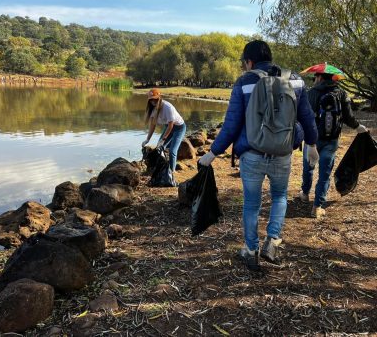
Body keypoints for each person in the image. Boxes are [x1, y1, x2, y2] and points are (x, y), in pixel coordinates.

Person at [199, 40, 319, 271]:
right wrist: (311, 144)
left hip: (252, 155)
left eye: (244, 63)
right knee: (280, 196)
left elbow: (231, 125)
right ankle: (272, 241)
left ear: (249, 61)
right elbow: (307, 117)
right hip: (283, 153)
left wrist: (212, 154)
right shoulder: (295, 80)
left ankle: (251, 250)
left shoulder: (244, 82)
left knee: (252, 203)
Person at [298, 72, 368, 219]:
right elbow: (348, 117)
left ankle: (304, 194)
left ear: (320, 77)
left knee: (308, 166)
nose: (314, 80)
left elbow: (305, 116)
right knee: (325, 173)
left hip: (313, 139)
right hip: (332, 139)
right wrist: (358, 127)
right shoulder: (341, 93)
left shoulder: (311, 93)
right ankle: (317, 207)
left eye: (315, 77)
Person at [142, 88, 186, 172]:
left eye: (155, 99)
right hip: (168, 127)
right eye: (151, 100)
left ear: (159, 98)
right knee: (159, 147)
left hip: (179, 128)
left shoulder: (167, 107)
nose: (153, 101)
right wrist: (147, 139)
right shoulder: (153, 109)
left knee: (172, 150)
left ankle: (172, 172)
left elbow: (171, 125)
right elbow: (152, 125)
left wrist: (163, 139)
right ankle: (161, 168)